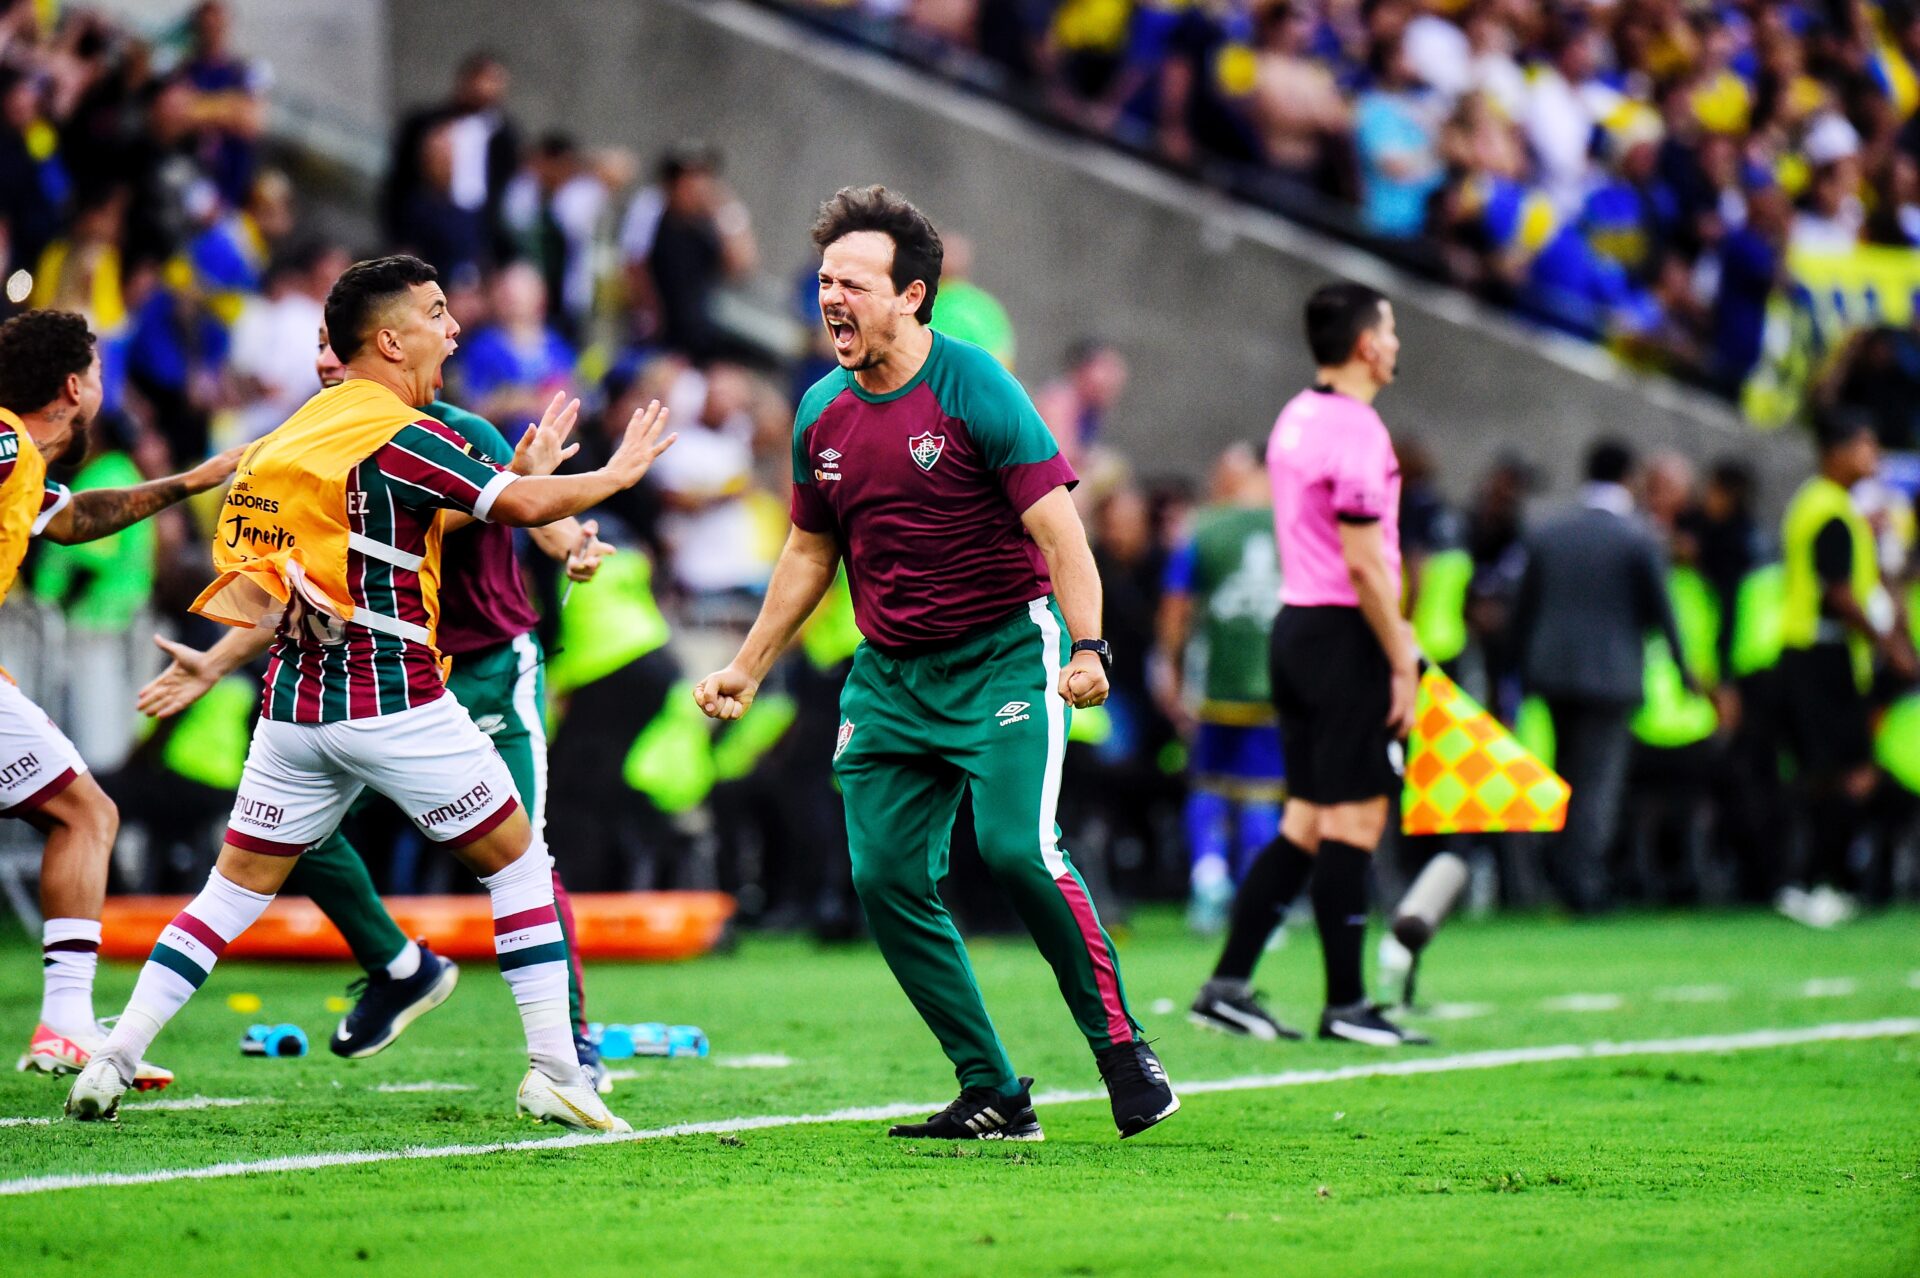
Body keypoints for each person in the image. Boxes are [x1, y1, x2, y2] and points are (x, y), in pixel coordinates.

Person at [66, 255, 675, 1128]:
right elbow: (513, 503)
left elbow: (255, 580)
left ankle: (115, 1056)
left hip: (293, 711)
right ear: (389, 341)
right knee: (521, 866)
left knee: (229, 893)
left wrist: (223, 655)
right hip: (399, 699)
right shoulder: (410, 434)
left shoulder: (283, 445)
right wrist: (614, 478)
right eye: (435, 314)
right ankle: (557, 1068)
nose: (452, 328)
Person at [694, 187, 1177, 1141]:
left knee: (1013, 850)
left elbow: (1059, 530)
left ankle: (1122, 1048)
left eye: (855, 284)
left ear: (912, 296)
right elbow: (808, 552)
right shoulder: (821, 411)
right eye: (825, 282)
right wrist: (749, 667)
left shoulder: (977, 385)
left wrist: (1088, 647)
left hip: (1002, 656)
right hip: (890, 677)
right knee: (883, 878)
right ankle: (992, 1089)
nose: (831, 299)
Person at [134, 320, 618, 1084]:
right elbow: (287, 579)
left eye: (338, 344)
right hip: (371, 681)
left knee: (521, 852)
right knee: (291, 839)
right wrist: (216, 660)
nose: (325, 360)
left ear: (380, 346)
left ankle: (576, 1045)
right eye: (318, 345)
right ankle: (398, 966)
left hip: (482, 668)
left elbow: (522, 502)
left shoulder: (457, 430)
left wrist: (573, 545)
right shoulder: (304, 444)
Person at [4, 309, 240, 1090]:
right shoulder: (4, 442)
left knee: (86, 812)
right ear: (75, 387)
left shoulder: (23, 465)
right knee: (88, 814)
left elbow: (72, 521)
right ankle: (66, 1021)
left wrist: (192, 482)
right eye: (101, 372)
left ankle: (67, 1025)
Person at [1189, 281, 1428, 1047]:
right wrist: (1401, 659)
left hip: (1296, 632)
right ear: (1366, 344)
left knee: (1305, 821)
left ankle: (1226, 986)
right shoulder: (1357, 431)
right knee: (1354, 821)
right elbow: (1364, 563)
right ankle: (1348, 1004)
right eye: (1389, 330)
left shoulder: (1296, 416)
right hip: (1343, 635)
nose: (1394, 343)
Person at [1511, 440, 1690, 915]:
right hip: (1611, 677)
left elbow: (1522, 608)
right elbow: (1662, 609)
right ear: (1629, 478)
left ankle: (1558, 872)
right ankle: (1583, 885)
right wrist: (1683, 669)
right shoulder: (1637, 537)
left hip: (1550, 674)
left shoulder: (1549, 532)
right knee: (1596, 785)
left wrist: (1519, 666)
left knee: (1563, 776)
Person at [1775, 414, 1916, 928]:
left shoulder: (1822, 506)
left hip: (1811, 652)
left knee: (1824, 774)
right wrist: (1889, 645)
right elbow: (1838, 594)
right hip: (1824, 653)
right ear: (1836, 451)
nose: (1873, 459)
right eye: (1866, 447)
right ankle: (1824, 883)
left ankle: (1807, 881)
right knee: (1849, 774)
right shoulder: (1831, 510)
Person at [1155, 441, 1284, 933]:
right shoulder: (1296, 527)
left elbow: (1176, 604)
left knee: (1208, 782)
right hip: (1277, 683)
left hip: (1214, 684)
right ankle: (1258, 900)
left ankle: (1209, 882)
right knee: (1262, 792)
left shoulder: (1203, 527)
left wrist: (1167, 665)